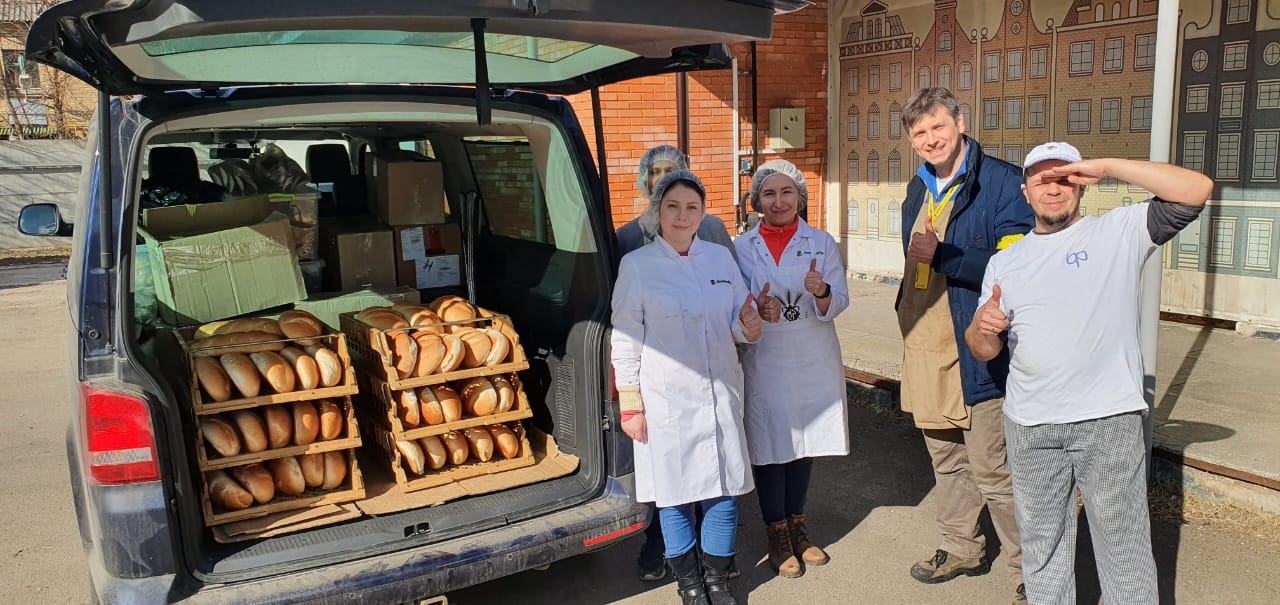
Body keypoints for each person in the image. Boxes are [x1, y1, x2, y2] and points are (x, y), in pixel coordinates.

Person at [966, 142, 1212, 604]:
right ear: (1025, 192)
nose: (1053, 188)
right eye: (1043, 179)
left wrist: (1110, 166)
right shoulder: (1007, 261)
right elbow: (982, 348)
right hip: (1030, 424)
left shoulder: (1119, 232)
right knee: (1043, 548)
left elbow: (1196, 190)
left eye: (1065, 177)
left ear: (1081, 184)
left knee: (1124, 550)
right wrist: (983, 327)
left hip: (1108, 419)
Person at [896, 87, 1033, 603]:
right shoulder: (919, 186)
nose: (930, 140)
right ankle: (961, 546)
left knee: (992, 468)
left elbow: (1016, 270)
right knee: (945, 458)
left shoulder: (1000, 183)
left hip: (976, 347)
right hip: (926, 344)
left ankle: (1032, 567)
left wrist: (947, 256)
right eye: (919, 134)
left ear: (959, 121)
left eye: (937, 127)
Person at [611, 170, 762, 605]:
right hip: (665, 403)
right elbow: (625, 340)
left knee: (724, 493)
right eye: (673, 206)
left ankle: (716, 580)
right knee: (673, 499)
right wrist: (632, 406)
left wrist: (749, 327)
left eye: (691, 207)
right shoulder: (637, 266)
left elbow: (738, 323)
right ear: (659, 211)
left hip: (719, 397)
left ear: (702, 213)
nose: (682, 216)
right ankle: (690, 585)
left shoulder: (719, 259)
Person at [733, 160, 850, 579]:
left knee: (805, 442)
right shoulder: (741, 247)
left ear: (799, 196)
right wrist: (756, 309)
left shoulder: (821, 242)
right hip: (766, 358)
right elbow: (734, 303)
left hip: (812, 356)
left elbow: (840, 300)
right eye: (769, 193)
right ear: (757, 200)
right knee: (770, 447)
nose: (779, 201)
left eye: (787, 193)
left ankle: (799, 527)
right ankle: (776, 533)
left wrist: (822, 292)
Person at [617, 144, 736, 259]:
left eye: (670, 171)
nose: (663, 178)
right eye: (655, 172)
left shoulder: (712, 228)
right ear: (644, 181)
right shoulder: (628, 236)